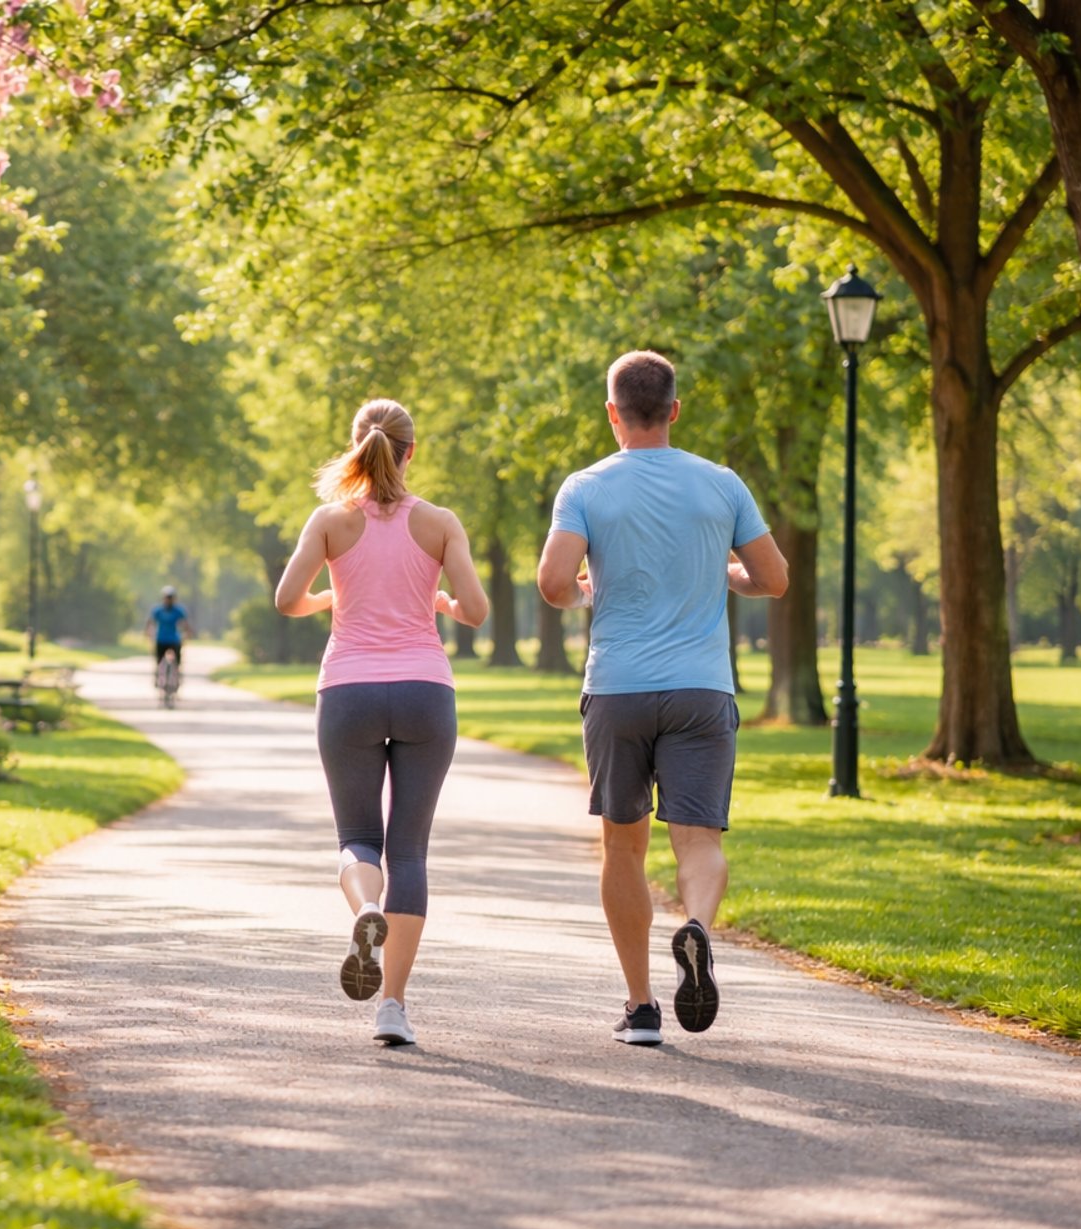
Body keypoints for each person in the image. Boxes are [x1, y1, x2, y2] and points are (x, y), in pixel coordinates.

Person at [536, 350, 788, 1046]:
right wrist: (724, 573)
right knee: (699, 840)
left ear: (612, 412)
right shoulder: (722, 485)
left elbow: (553, 582)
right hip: (702, 688)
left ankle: (642, 1008)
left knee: (623, 845)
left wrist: (581, 592)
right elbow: (773, 579)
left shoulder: (585, 486)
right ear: (675, 410)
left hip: (618, 687)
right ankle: (698, 928)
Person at [276, 398, 488, 1046]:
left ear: (356, 448)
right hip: (426, 691)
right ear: (411, 452)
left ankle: (365, 907)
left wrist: (334, 595)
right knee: (410, 850)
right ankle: (392, 1007)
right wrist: (442, 601)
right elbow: (476, 612)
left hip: (348, 692)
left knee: (358, 838)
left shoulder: (331, 521)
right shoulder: (440, 522)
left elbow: (287, 601)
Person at [145, 587, 193, 685]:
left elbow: (185, 623)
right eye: (167, 597)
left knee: (177, 661)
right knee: (158, 660)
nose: (169, 599)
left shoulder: (178, 610)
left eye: (171, 597)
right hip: (161, 639)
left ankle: (177, 678)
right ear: (163, 598)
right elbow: (150, 622)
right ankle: (157, 676)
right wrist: (148, 632)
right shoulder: (158, 610)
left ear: (174, 599)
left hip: (174, 639)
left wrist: (188, 633)